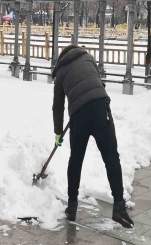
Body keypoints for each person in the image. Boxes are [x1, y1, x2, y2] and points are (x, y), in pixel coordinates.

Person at [52, 45, 134, 228]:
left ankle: (72, 207)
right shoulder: (88, 58)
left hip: (79, 114)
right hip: (100, 107)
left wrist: (58, 132)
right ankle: (119, 205)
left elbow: (57, 106)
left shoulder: (61, 72)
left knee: (76, 159)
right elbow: (97, 83)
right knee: (111, 156)